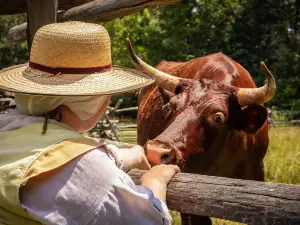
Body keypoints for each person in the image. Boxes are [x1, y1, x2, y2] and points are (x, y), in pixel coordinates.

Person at [0, 21, 179, 225]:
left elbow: (47, 155)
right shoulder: (88, 169)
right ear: (91, 102)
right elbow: (149, 221)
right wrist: (154, 182)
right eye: (106, 94)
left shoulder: (6, 130)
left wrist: (122, 155)